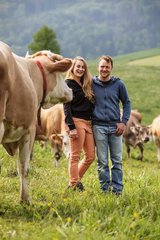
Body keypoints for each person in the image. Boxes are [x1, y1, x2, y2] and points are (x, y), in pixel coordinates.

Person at [92, 55, 131, 195]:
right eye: (102, 66)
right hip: (98, 127)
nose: (104, 69)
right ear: (98, 67)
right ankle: (105, 190)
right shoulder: (91, 83)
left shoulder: (118, 84)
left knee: (117, 161)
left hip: (116, 128)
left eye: (107, 67)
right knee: (102, 161)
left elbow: (127, 103)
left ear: (111, 68)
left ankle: (117, 191)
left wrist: (123, 122)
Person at [63, 56, 95, 191]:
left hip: (88, 123)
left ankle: (73, 183)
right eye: (78, 66)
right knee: (75, 156)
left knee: (90, 156)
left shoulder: (85, 84)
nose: (81, 69)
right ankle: (75, 183)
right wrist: (71, 127)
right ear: (73, 68)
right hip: (76, 122)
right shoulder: (68, 83)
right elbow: (66, 106)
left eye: (83, 67)